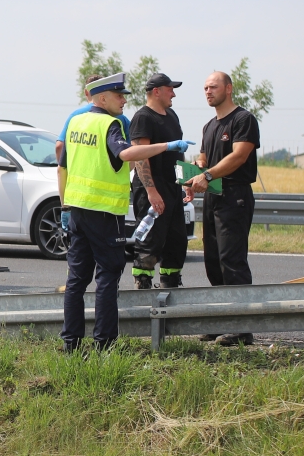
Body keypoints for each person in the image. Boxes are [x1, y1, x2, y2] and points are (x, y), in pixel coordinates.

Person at [60, 73, 194, 351]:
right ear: (102, 97)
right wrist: (168, 146)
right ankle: (104, 344)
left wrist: (64, 205)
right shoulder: (109, 124)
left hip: (78, 211)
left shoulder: (75, 122)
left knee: (76, 279)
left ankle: (71, 343)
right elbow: (127, 154)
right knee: (107, 277)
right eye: (119, 95)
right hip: (105, 213)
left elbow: (63, 163)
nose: (123, 101)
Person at [184, 70, 261, 346]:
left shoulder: (243, 119)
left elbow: (239, 156)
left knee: (232, 259)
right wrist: (195, 175)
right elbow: (204, 157)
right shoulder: (209, 126)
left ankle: (242, 327)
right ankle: (221, 320)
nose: (207, 91)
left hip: (235, 195)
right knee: (213, 260)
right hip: (213, 196)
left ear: (228, 89)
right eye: (205, 87)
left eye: (213, 87)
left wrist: (207, 175)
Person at [128, 73, 188, 290]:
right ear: (157, 91)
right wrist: (152, 192)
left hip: (173, 188)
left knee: (177, 241)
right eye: (170, 89)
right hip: (151, 188)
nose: (173, 93)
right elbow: (140, 156)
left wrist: (186, 181)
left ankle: (170, 285)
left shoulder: (171, 115)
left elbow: (177, 156)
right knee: (150, 241)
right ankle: (142, 286)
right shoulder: (143, 117)